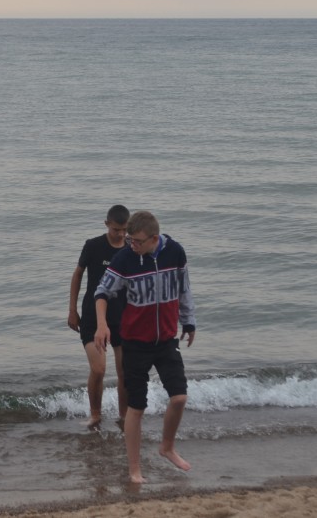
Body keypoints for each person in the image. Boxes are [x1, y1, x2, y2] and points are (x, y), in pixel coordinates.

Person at [94, 211, 197, 483]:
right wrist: (102, 325)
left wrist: (189, 321)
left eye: (137, 241)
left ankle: (167, 447)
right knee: (136, 408)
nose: (132, 245)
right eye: (129, 239)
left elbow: (184, 289)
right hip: (135, 344)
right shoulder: (125, 258)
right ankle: (134, 469)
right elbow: (101, 292)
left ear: (154, 238)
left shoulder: (175, 252)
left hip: (166, 341)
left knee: (179, 398)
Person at [68, 204, 130, 429]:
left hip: (123, 318)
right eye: (116, 229)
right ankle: (95, 415)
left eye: (124, 230)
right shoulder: (93, 246)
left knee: (125, 372)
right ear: (107, 224)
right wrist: (72, 310)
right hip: (93, 317)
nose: (121, 234)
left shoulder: (132, 249)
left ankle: (124, 418)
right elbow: (77, 275)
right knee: (99, 369)